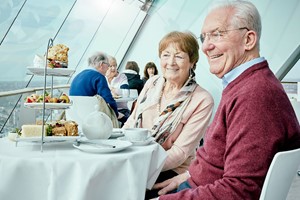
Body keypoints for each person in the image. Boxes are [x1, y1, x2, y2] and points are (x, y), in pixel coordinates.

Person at [150, 1, 300, 200]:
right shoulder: (247, 84)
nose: (205, 47)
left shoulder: (255, 94)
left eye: (217, 34)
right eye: (204, 37)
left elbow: (239, 191)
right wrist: (189, 176)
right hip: (197, 184)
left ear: (248, 40)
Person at [122, 31, 214, 199]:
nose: (171, 62)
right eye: (166, 55)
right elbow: (131, 122)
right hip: (133, 160)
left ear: (192, 61)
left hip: (168, 170)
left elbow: (179, 153)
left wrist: (137, 165)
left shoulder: (202, 99)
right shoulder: (151, 83)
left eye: (179, 56)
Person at [69, 51, 119, 118]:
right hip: (92, 118)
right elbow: (108, 99)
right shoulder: (99, 77)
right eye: (108, 65)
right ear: (101, 64)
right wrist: (116, 114)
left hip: (76, 116)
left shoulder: (77, 76)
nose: (108, 68)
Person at [106, 55, 130, 125]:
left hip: (121, 109)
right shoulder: (103, 78)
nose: (113, 68)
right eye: (110, 66)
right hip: (107, 110)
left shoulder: (122, 77)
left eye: (115, 65)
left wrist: (113, 89)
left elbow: (126, 93)